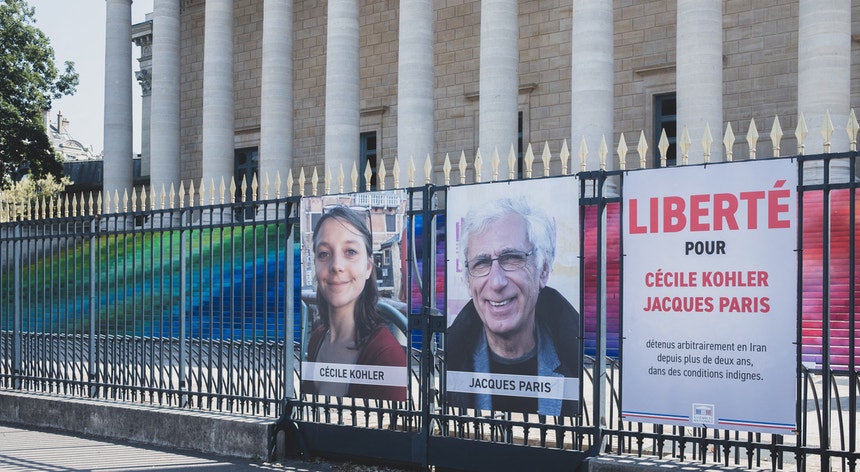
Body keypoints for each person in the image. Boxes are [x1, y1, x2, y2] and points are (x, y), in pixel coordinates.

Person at [447, 196, 581, 415]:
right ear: (468, 280)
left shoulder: (581, 363)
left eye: (511, 258)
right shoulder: (446, 361)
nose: (497, 282)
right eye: (481, 263)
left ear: (543, 270)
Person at [303, 206, 407, 401]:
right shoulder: (317, 338)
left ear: (368, 267)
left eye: (350, 252)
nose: (336, 266)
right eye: (324, 254)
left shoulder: (386, 355)